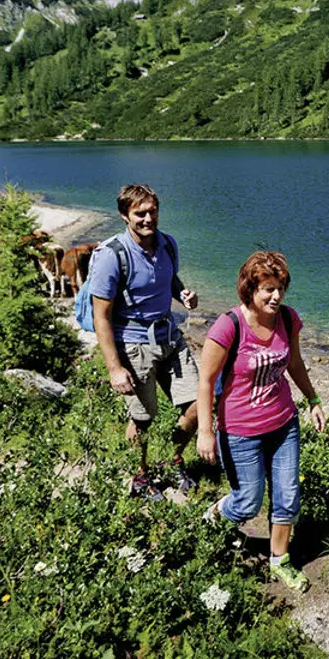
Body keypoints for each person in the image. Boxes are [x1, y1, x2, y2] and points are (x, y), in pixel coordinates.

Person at [196, 250, 325, 592]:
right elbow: (206, 381)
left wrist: (313, 400)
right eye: (267, 288)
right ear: (249, 289)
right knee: (248, 502)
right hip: (239, 431)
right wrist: (205, 431)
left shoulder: (288, 319)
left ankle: (279, 558)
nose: (276, 296)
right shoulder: (228, 326)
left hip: (283, 424)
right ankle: (214, 517)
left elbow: (295, 364)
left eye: (280, 287)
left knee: (288, 495)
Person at [90, 184, 201, 500]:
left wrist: (183, 295)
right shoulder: (112, 256)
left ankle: (173, 458)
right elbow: (102, 316)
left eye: (153, 211)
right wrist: (114, 368)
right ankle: (139, 477)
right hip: (134, 345)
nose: (148, 218)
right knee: (143, 417)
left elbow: (170, 279)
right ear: (124, 215)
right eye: (140, 213)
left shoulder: (167, 244)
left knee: (198, 406)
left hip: (170, 337)